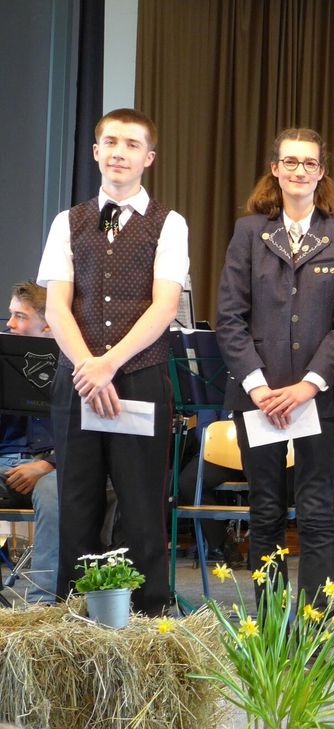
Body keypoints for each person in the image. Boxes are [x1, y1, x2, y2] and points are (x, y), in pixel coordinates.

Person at [38, 108, 189, 614]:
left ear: (149, 158)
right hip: (78, 380)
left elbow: (164, 306)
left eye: (132, 144)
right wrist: (88, 367)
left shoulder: (169, 224)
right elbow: (56, 307)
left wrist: (109, 365)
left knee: (142, 506)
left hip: (140, 378)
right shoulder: (68, 221)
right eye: (111, 142)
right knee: (77, 502)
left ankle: (147, 615)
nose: (119, 152)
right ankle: (74, 616)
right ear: (96, 151)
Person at [216, 128, 334, 606]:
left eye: (309, 163)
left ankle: (315, 623)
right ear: (275, 169)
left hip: (320, 397)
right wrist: (258, 387)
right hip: (257, 396)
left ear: (322, 172)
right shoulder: (248, 231)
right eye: (290, 162)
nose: (299, 170)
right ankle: (269, 625)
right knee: (264, 511)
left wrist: (307, 386)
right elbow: (229, 317)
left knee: (319, 510)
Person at [0, 282, 60, 603]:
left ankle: (42, 603)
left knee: (53, 493)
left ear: (47, 324)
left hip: (51, 467)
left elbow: (85, 430)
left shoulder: (73, 363)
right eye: (11, 315)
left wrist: (45, 465)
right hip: (4, 462)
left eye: (20, 316)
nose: (10, 323)